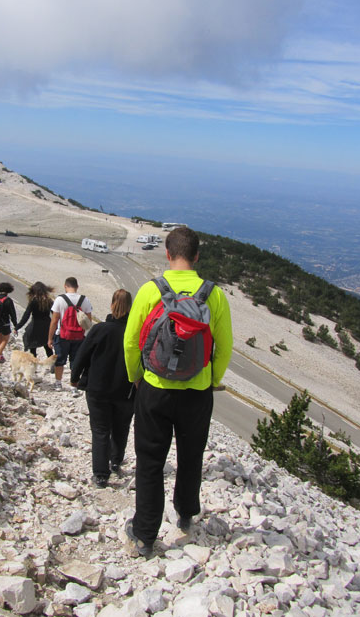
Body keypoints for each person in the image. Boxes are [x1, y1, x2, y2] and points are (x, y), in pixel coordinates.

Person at [123, 227, 233, 557]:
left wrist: (137, 377)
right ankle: (186, 513)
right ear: (197, 256)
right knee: (190, 455)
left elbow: (130, 342)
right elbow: (224, 347)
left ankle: (144, 535)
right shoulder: (214, 295)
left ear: (167, 255)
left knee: (150, 461)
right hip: (197, 392)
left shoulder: (149, 290)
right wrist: (212, 379)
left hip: (154, 389)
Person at [71, 289, 135, 489]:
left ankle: (100, 475)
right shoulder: (135, 333)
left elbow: (82, 355)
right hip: (126, 390)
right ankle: (115, 461)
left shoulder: (100, 330)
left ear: (111, 305)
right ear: (131, 308)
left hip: (98, 389)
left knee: (100, 430)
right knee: (121, 427)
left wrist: (75, 377)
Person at [48, 277, 93, 390]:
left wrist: (50, 338)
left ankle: (58, 383)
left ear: (65, 286)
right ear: (77, 287)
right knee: (75, 361)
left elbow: (54, 320)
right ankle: (74, 385)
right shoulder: (85, 300)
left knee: (60, 360)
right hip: (79, 336)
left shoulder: (59, 299)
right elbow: (88, 320)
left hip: (62, 334)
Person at [15, 281, 54, 358]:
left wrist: (18, 327)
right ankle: (52, 364)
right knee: (47, 346)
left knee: (32, 346)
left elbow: (26, 316)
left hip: (35, 326)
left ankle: (33, 365)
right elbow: (55, 314)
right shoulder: (49, 301)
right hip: (47, 326)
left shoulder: (33, 301)